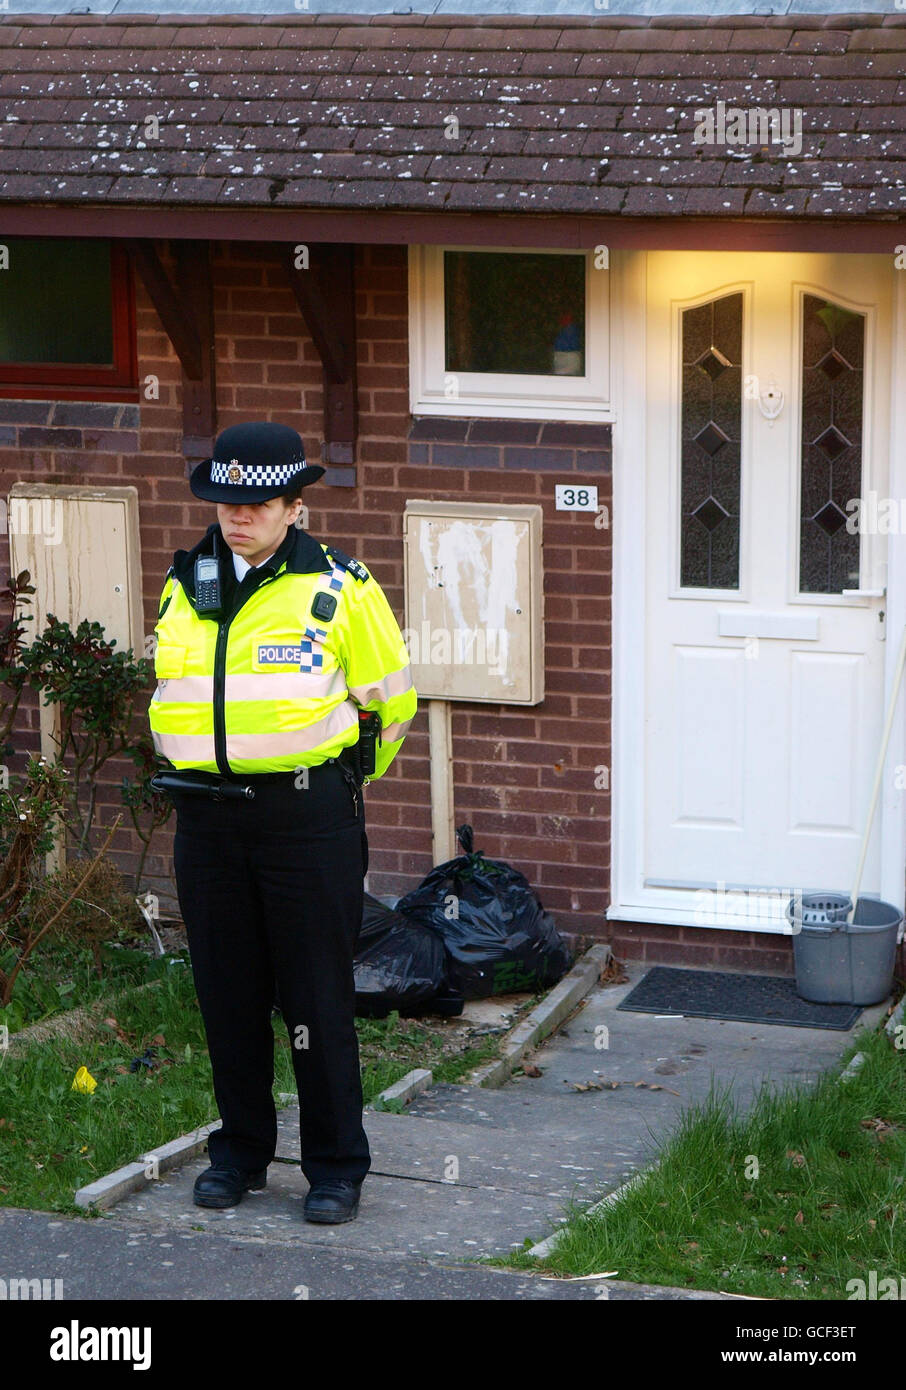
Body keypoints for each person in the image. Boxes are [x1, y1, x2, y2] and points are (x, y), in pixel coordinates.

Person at [147, 421, 417, 1223]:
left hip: (307, 823)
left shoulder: (341, 586)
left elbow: (391, 704)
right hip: (207, 825)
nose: (238, 516)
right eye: (227, 500)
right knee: (227, 997)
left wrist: (329, 786)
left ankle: (336, 1167)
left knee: (315, 1001)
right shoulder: (183, 579)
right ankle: (239, 1154)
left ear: (295, 506)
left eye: (258, 503)